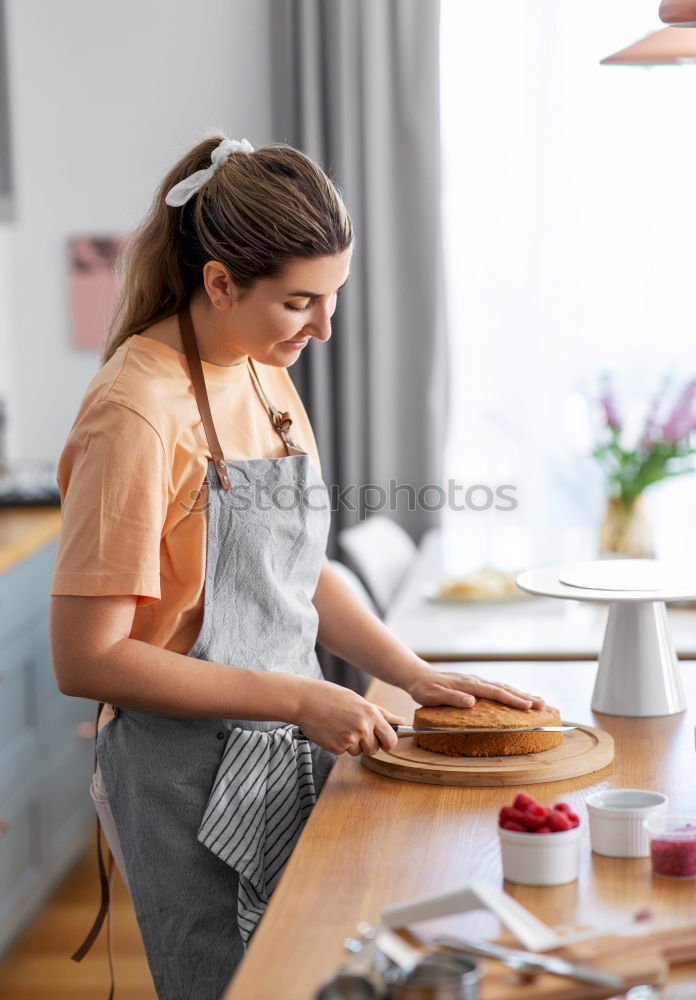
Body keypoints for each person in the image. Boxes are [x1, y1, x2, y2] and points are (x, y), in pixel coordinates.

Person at [49, 134, 545, 1000]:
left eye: (334, 297)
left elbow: (297, 566)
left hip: (283, 744)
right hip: (184, 779)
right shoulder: (137, 411)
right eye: (300, 302)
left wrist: (409, 672)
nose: (323, 327)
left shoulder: (260, 366)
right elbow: (87, 659)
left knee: (311, 975)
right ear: (218, 283)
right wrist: (299, 697)